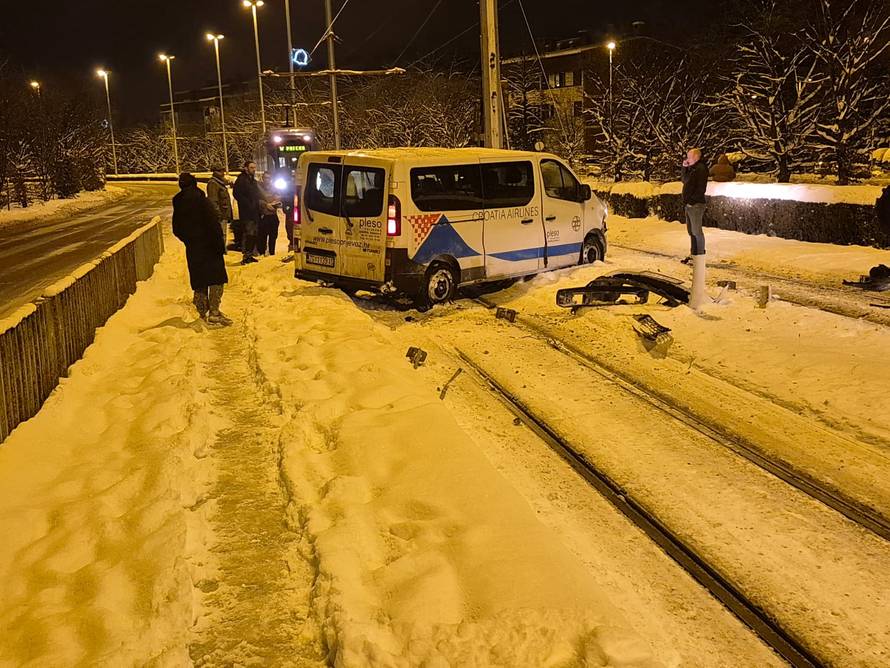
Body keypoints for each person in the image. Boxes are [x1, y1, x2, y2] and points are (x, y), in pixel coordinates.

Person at [172, 173, 231, 326]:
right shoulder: (202, 201)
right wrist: (219, 245)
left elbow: (176, 229)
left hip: (193, 248)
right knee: (217, 279)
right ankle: (215, 312)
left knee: (199, 281)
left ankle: (201, 313)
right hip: (210, 246)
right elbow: (213, 225)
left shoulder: (178, 203)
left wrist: (189, 241)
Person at [681, 148, 710, 309]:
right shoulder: (693, 168)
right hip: (689, 204)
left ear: (696, 157)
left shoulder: (700, 169)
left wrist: (691, 200)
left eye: (690, 156)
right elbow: (684, 181)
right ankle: (694, 254)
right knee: (691, 231)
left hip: (696, 204)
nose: (687, 158)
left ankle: (700, 254)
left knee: (697, 231)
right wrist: (684, 167)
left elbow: (698, 187)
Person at [233, 160, 261, 265]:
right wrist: (247, 203)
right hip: (247, 212)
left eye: (254, 168)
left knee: (253, 234)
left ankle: (249, 254)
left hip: (254, 211)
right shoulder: (241, 180)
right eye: (251, 168)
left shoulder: (252, 180)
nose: (254, 170)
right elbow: (237, 194)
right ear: (246, 168)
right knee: (248, 233)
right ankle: (246, 255)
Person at [206, 166, 232, 254]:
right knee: (220, 233)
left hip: (223, 212)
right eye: (220, 171)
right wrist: (217, 213)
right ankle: (220, 250)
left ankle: (222, 249)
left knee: (223, 233)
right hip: (220, 213)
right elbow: (213, 200)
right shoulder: (213, 183)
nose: (223, 173)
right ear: (215, 172)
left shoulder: (220, 183)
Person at [257, 173, 282, 256]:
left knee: (273, 235)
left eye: (269, 178)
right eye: (265, 178)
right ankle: (262, 252)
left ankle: (272, 252)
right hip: (263, 215)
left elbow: (279, 198)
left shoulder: (274, 188)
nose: (267, 180)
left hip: (272, 214)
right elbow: (257, 200)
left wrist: (275, 203)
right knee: (262, 235)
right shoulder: (258, 187)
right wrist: (266, 205)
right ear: (262, 178)